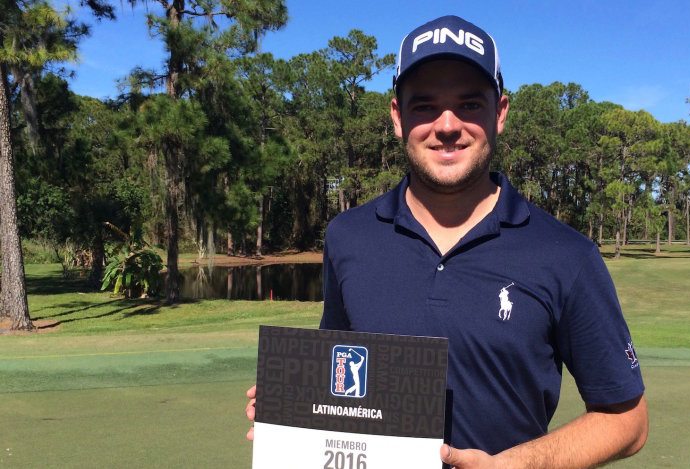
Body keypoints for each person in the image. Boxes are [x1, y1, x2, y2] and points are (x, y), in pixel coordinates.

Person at [247, 15, 648, 468]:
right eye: (425, 106)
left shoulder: (565, 255)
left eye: (470, 104)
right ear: (398, 117)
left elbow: (628, 420)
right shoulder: (348, 236)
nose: (447, 125)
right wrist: (293, 410)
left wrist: (515, 465)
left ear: (500, 113)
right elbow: (343, 381)